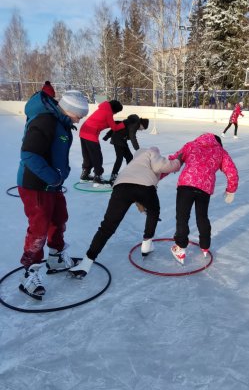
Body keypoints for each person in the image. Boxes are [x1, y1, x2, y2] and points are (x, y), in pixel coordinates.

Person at [17, 90, 89, 300]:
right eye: (80, 114)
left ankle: (56, 258)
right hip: (35, 185)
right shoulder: (45, 121)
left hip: (51, 185)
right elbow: (29, 154)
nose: (81, 118)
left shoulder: (61, 123)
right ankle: (29, 273)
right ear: (69, 109)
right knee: (39, 228)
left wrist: (58, 177)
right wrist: (53, 177)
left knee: (59, 218)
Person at [68, 147, 181, 279]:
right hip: (145, 188)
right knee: (153, 212)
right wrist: (178, 162)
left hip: (120, 187)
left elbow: (133, 184)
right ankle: (147, 244)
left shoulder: (134, 162)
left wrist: (139, 201)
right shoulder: (151, 151)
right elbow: (160, 166)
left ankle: (86, 263)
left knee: (107, 227)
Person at [168, 133, 239, 265]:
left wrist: (156, 176)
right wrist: (231, 190)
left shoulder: (191, 145)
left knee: (182, 216)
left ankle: (180, 247)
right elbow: (231, 171)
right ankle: (205, 246)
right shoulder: (221, 151)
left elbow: (173, 161)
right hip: (204, 188)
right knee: (202, 217)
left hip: (186, 185)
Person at [79, 100, 125, 185]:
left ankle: (85, 174)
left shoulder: (102, 109)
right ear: (114, 110)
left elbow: (101, 123)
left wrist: (113, 123)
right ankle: (98, 177)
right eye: (116, 112)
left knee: (87, 155)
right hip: (91, 134)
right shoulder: (108, 113)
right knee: (97, 156)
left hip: (83, 132)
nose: (115, 114)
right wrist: (124, 124)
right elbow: (114, 128)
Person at [103, 114, 150, 184]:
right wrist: (138, 150)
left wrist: (108, 135)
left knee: (129, 157)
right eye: (143, 128)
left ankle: (130, 173)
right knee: (119, 158)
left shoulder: (132, 121)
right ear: (141, 124)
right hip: (118, 139)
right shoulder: (135, 124)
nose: (142, 130)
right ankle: (113, 176)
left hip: (122, 140)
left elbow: (118, 124)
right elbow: (133, 137)